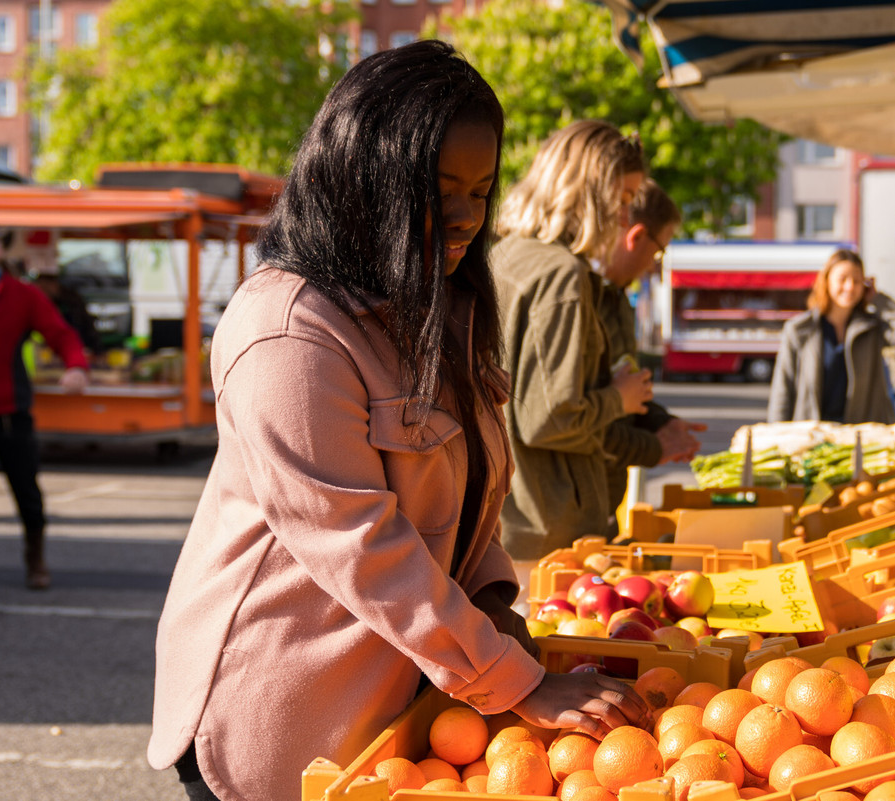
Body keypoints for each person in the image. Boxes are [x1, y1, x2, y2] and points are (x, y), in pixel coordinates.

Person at [147, 43, 648, 801]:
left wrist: (489, 599)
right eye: (440, 188)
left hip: (398, 707)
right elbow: (361, 542)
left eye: (480, 191)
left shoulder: (437, 307)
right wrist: (514, 679)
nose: (466, 217)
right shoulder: (288, 330)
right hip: (279, 714)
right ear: (364, 176)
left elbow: (465, 488)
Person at [492, 120, 654, 576]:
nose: (626, 219)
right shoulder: (563, 274)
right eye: (622, 200)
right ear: (590, 193)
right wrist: (619, 398)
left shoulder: (505, 254)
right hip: (550, 530)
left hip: (508, 516)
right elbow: (549, 418)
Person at [0, 224, 89, 609]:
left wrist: (76, 365)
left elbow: (60, 334)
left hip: (9, 412)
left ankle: (35, 556)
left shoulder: (22, 295)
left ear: (0, 249)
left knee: (27, 494)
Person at [599, 179, 706, 519]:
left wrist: (658, 421)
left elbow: (622, 391)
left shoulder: (614, 299)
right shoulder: (582, 298)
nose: (653, 265)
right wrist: (655, 446)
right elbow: (574, 420)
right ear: (637, 237)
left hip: (597, 504)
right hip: (565, 513)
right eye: (659, 251)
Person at [767, 248, 895, 425]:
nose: (849, 287)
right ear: (826, 281)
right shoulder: (799, 329)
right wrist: (777, 434)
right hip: (811, 437)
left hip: (859, 436)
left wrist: (878, 299)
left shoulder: (871, 328)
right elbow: (783, 389)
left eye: (857, 281)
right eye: (842, 279)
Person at [31, 261, 102, 354]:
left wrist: (94, 350)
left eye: (44, 287)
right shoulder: (39, 303)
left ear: (54, 284)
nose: (41, 291)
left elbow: (82, 328)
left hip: (74, 350)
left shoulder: (71, 302)